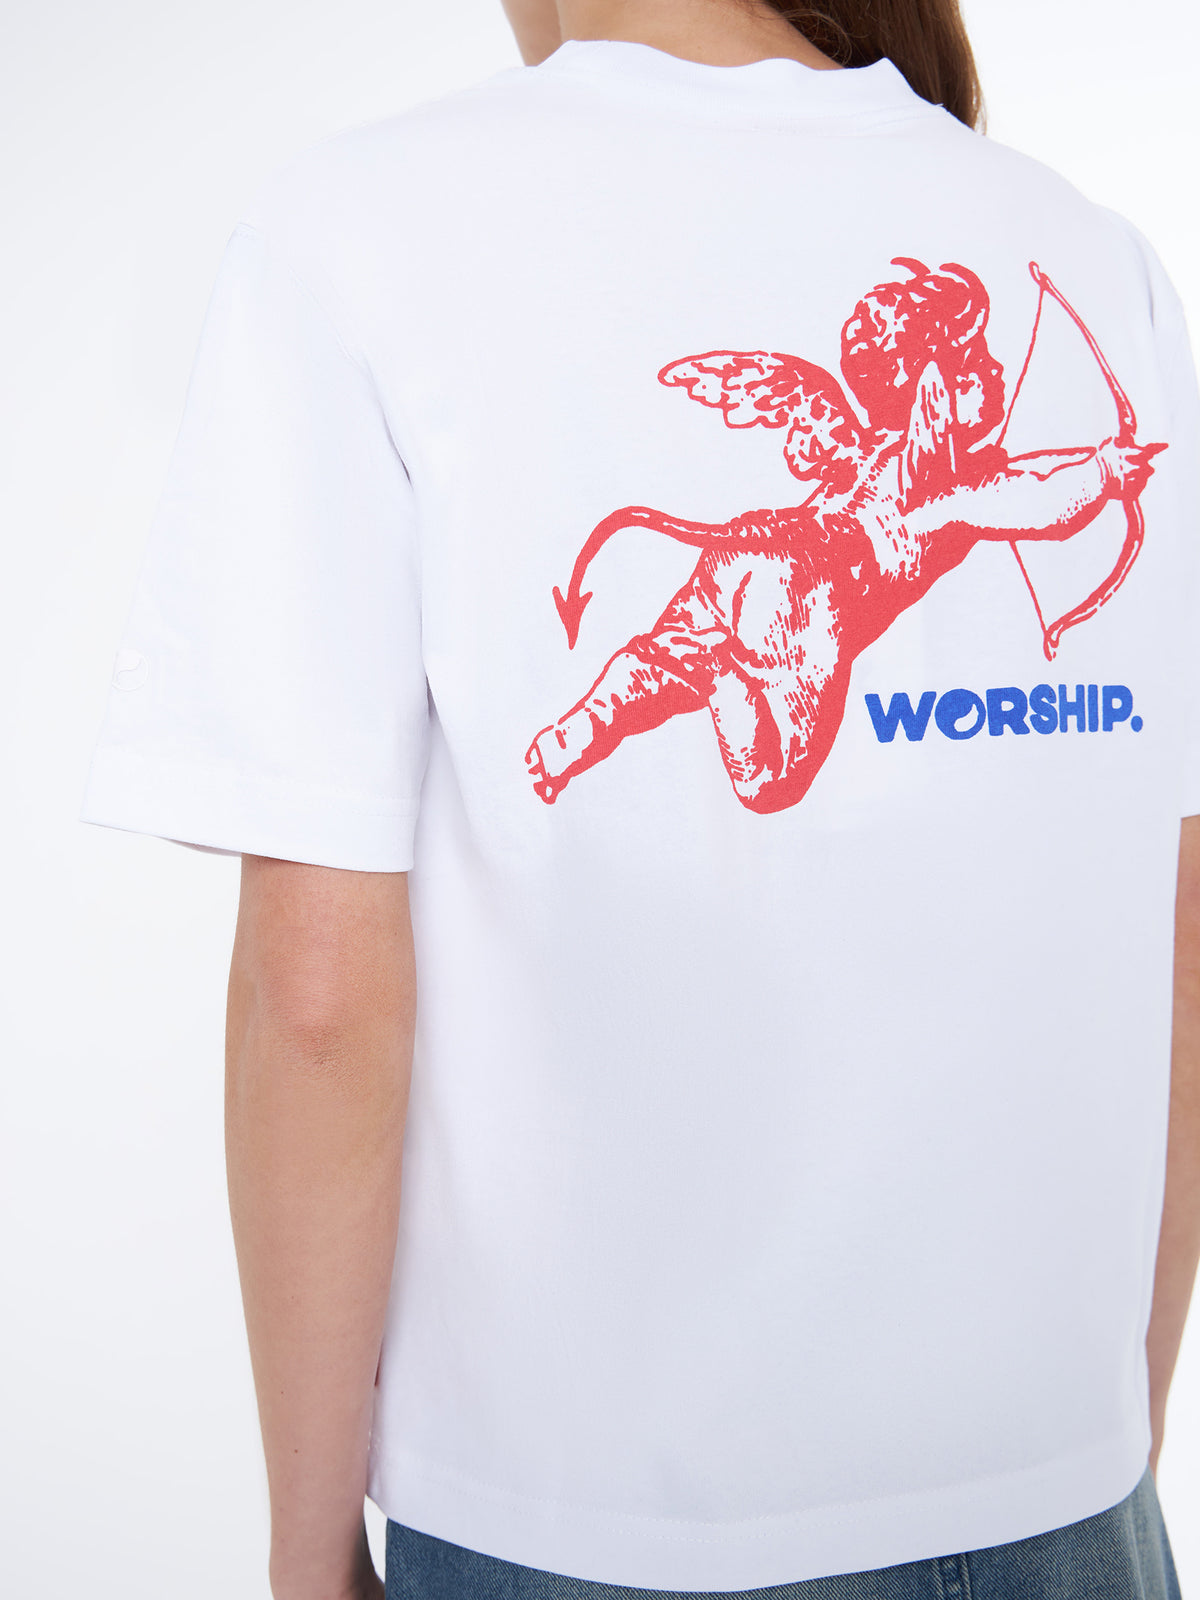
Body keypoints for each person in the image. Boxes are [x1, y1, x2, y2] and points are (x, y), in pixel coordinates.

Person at [79, 2, 1200, 1598]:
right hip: (1062, 1511)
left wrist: (308, 1553)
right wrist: (1108, 1432)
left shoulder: (364, 234)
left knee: (701, 678)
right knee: (719, 665)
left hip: (579, 1529)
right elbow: (1176, 936)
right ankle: (645, 694)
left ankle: (623, 704)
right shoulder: (1098, 258)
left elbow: (318, 1002)